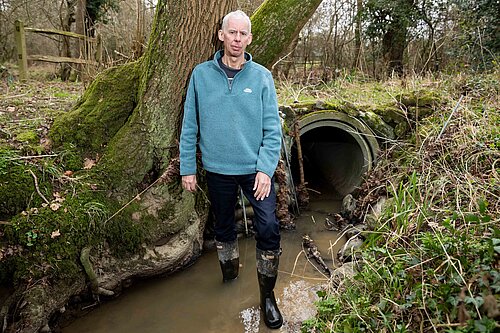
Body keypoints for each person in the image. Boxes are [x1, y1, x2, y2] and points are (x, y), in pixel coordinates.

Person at [179, 10, 283, 329]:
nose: (237, 39)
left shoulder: (262, 77)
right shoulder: (200, 75)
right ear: (221, 35)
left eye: (243, 34)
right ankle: (229, 279)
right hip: (218, 169)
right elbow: (190, 124)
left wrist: (265, 169)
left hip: (255, 171)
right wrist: (187, 168)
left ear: (250, 38)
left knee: (267, 226)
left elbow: (272, 130)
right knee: (223, 228)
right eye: (232, 33)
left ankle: (267, 297)